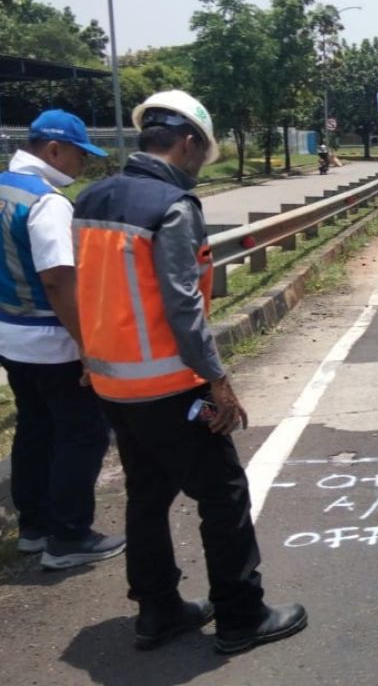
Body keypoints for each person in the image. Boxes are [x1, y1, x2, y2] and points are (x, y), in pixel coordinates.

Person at [73, 90, 306, 653]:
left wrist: (89, 357)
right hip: (174, 387)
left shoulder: (92, 197)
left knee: (147, 495)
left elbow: (90, 290)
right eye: (204, 150)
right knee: (223, 492)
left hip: (112, 383)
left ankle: (158, 610)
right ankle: (241, 616)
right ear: (187, 142)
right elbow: (182, 304)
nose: (204, 160)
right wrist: (218, 382)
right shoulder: (172, 207)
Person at [0, 109, 126, 571]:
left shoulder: (2, 187)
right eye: (79, 155)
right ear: (54, 149)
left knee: (35, 427)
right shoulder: (46, 202)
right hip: (52, 340)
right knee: (84, 433)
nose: (83, 166)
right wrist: (88, 347)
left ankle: (34, 528)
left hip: (10, 336)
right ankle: (69, 535)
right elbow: (58, 281)